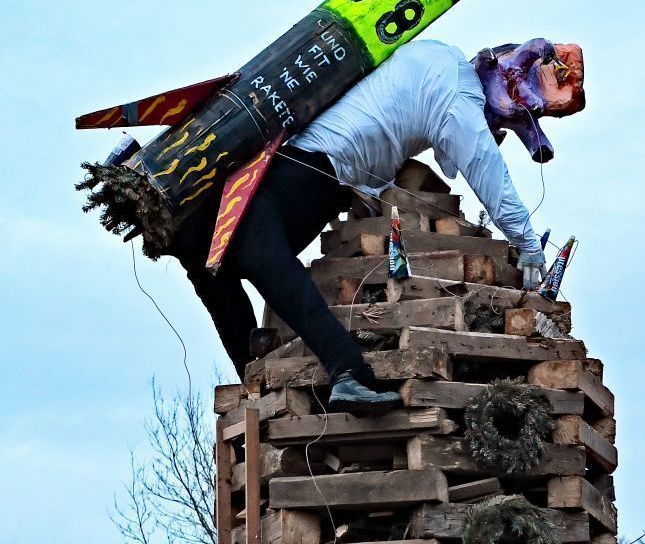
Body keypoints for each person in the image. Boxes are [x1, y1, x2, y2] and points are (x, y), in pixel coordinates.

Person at [169, 37, 583, 407]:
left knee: (218, 266)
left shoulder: (434, 58)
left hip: (297, 175)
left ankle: (257, 375)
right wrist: (528, 246)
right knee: (260, 265)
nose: (503, 129)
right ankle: (344, 371)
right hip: (309, 171)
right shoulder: (457, 97)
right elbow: (487, 170)